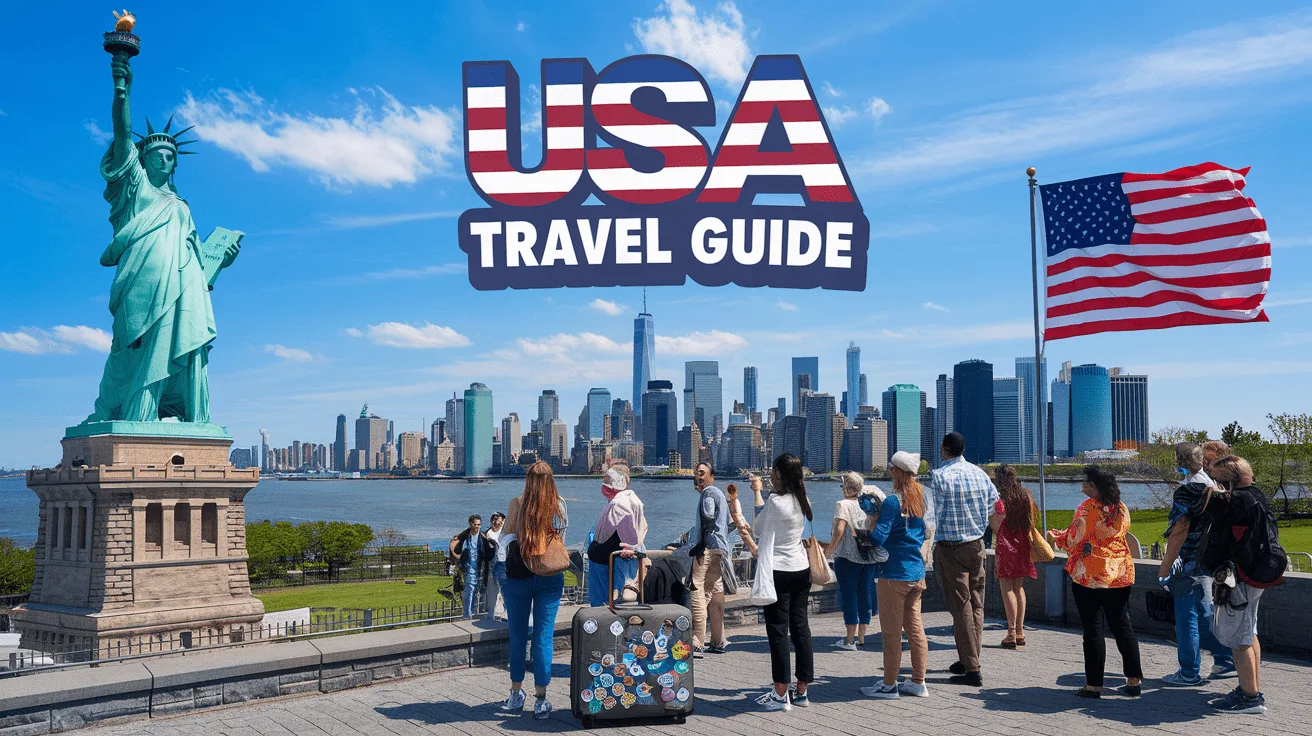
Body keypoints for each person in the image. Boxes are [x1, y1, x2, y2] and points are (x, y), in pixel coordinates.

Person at [1048, 465, 1142, 699]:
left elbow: (1074, 539)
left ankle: (1094, 685)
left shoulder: (1087, 509)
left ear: (1096, 487)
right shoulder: (1121, 508)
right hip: (1119, 572)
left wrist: (1058, 537)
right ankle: (1133, 680)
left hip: (1090, 574)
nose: (1082, 488)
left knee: (1093, 630)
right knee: (1122, 625)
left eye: (1086, 484)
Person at [1158, 443, 1235, 686]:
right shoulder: (1215, 487)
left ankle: (1189, 672)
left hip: (1187, 562)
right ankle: (1225, 660)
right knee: (1204, 612)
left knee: (1186, 617)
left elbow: (1179, 529)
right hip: (1209, 561)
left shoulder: (1187, 491)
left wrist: (1165, 566)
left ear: (1179, 461)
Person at [1204, 455, 1275, 715]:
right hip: (1259, 572)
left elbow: (1219, 538)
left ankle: (1250, 698)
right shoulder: (1257, 495)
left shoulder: (1234, 503)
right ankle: (1250, 687)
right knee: (1249, 630)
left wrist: (1215, 501)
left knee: (1238, 638)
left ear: (1227, 483)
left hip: (1241, 576)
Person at [861, 451, 935, 699]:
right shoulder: (921, 496)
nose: (889, 471)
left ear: (901, 473)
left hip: (894, 573)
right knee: (915, 630)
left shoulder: (893, 502)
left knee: (891, 633)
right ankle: (918, 681)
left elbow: (878, 537)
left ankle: (889, 684)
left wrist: (871, 520)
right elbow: (924, 530)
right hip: (916, 572)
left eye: (892, 468)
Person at [929, 431, 999, 686]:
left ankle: (972, 668)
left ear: (944, 449)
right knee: (977, 604)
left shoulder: (939, 476)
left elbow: (931, 513)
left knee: (960, 607)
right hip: (977, 544)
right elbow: (995, 506)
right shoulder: (980, 474)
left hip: (950, 547)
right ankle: (969, 657)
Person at [500, 461, 569, 719]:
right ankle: (541, 698)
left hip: (520, 575)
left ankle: (516, 693)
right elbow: (560, 536)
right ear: (551, 479)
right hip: (551, 575)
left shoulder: (516, 503)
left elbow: (505, 536)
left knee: (518, 636)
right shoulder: (559, 505)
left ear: (528, 479)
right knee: (543, 638)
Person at [751, 453, 814, 711]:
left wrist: (757, 493)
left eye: (773, 471)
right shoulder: (803, 499)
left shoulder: (776, 501)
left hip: (779, 570)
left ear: (779, 474)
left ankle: (780, 693)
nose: (770, 475)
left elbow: (757, 528)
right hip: (801, 568)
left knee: (778, 630)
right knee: (800, 627)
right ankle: (802, 690)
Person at [826, 471, 880, 649]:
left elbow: (840, 530)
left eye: (843, 486)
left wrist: (829, 551)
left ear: (847, 487)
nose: (842, 489)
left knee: (849, 596)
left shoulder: (843, 504)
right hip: (868, 555)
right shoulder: (868, 502)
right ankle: (862, 637)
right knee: (865, 594)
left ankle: (849, 640)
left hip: (848, 556)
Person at [990, 464, 1038, 649]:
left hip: (1006, 544)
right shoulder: (1025, 495)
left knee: (1006, 586)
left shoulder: (1000, 499)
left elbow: (996, 525)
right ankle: (1020, 631)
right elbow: (1032, 520)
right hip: (1022, 542)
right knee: (1018, 587)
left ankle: (1010, 633)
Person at [587, 459, 647, 606]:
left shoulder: (618, 504)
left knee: (605, 603)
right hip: (615, 559)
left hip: (607, 560)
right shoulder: (632, 501)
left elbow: (605, 536)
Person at [687, 461, 731, 654]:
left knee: (697, 589)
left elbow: (709, 515)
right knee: (715, 590)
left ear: (712, 475)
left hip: (707, 549)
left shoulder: (709, 494)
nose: (699, 476)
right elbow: (729, 525)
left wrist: (700, 545)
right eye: (697, 473)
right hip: (720, 548)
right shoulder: (720, 494)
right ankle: (718, 640)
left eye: (703, 473)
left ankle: (698, 640)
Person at [450, 515, 496, 620]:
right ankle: (467, 614)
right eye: (475, 524)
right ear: (470, 524)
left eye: (479, 524)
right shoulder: (464, 537)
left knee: (477, 591)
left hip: (480, 569)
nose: (477, 527)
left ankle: (474, 612)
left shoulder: (483, 538)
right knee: (469, 591)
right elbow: (456, 551)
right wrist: (459, 566)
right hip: (468, 568)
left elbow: (487, 554)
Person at [484, 512, 507, 622]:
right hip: (492, 564)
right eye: (493, 518)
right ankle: (491, 614)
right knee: (492, 590)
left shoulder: (506, 532)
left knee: (505, 590)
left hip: (503, 564)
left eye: (498, 518)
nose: (495, 520)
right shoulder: (488, 534)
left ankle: (508, 613)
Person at [725, 482, 758, 557]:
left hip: (733, 528)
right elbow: (738, 516)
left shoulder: (733, 502)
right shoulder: (733, 503)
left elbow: (739, 516)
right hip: (733, 527)